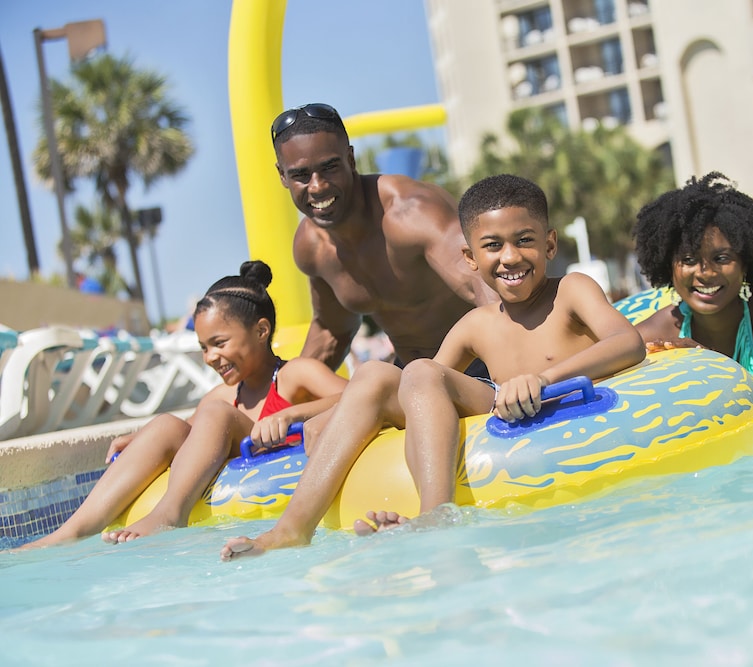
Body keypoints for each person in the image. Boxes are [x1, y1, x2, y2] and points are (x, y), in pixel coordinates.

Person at [220, 174, 646, 559]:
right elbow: (417, 391)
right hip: (499, 406)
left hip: (564, 407)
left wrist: (542, 379)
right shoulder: (476, 324)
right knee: (384, 373)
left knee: (420, 370)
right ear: (470, 257)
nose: (510, 256)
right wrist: (322, 417)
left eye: (525, 240)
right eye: (492, 246)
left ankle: (435, 515)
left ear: (550, 244)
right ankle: (292, 529)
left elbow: (627, 342)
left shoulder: (571, 291)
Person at [17, 261, 347, 549]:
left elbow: (357, 395)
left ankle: (169, 513)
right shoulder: (222, 396)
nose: (210, 357)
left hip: (288, 472)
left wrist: (292, 414)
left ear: (261, 331)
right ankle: (72, 531)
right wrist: (139, 439)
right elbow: (186, 435)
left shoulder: (295, 374)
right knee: (168, 422)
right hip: (233, 456)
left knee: (214, 412)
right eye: (203, 347)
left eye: (219, 343)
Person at [271, 103, 496, 372]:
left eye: (329, 168)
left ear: (350, 159)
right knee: (368, 380)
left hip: (482, 361)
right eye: (301, 175)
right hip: (411, 373)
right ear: (283, 176)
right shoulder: (312, 247)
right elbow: (332, 331)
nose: (317, 186)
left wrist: (519, 368)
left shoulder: (411, 211)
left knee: (373, 376)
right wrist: (285, 389)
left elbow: (485, 285)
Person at [632, 172, 753, 434]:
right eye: (688, 260)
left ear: (745, 263)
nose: (705, 273)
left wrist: (710, 367)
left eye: (721, 258)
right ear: (667, 267)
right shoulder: (654, 335)